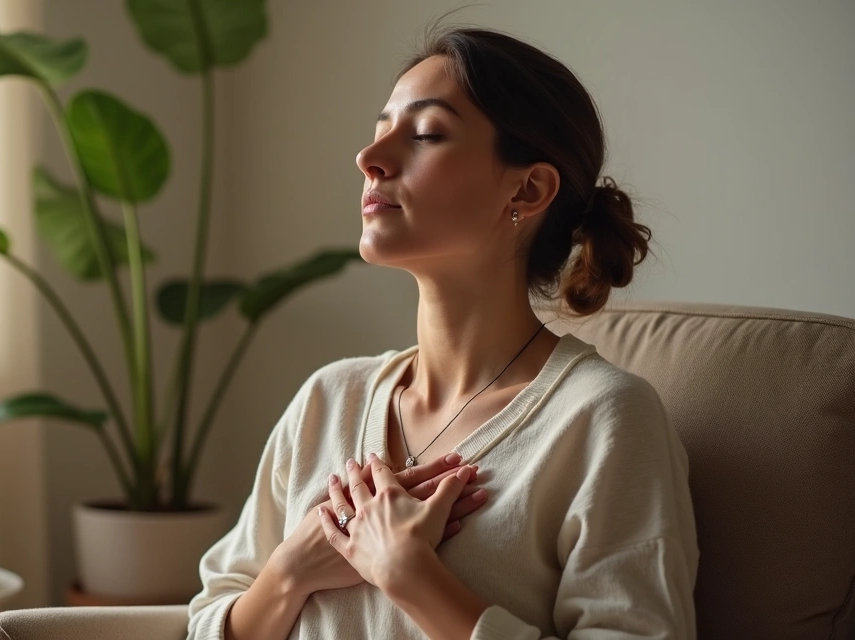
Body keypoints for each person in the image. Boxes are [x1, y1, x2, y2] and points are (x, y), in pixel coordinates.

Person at [187, 21, 699, 640]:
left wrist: (410, 576)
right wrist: (291, 571)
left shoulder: (603, 420)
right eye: (380, 132)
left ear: (529, 188)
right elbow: (208, 620)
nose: (368, 160)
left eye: (427, 133)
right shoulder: (328, 400)